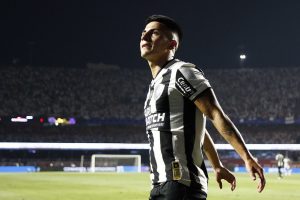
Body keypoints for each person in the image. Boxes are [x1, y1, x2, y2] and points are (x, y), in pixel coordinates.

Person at [140, 14, 266, 200]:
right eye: (144, 32)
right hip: (160, 185)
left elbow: (214, 113)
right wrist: (216, 165)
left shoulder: (180, 71)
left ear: (171, 45)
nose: (144, 37)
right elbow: (196, 129)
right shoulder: (154, 85)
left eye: (154, 33)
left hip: (181, 184)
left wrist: (246, 157)